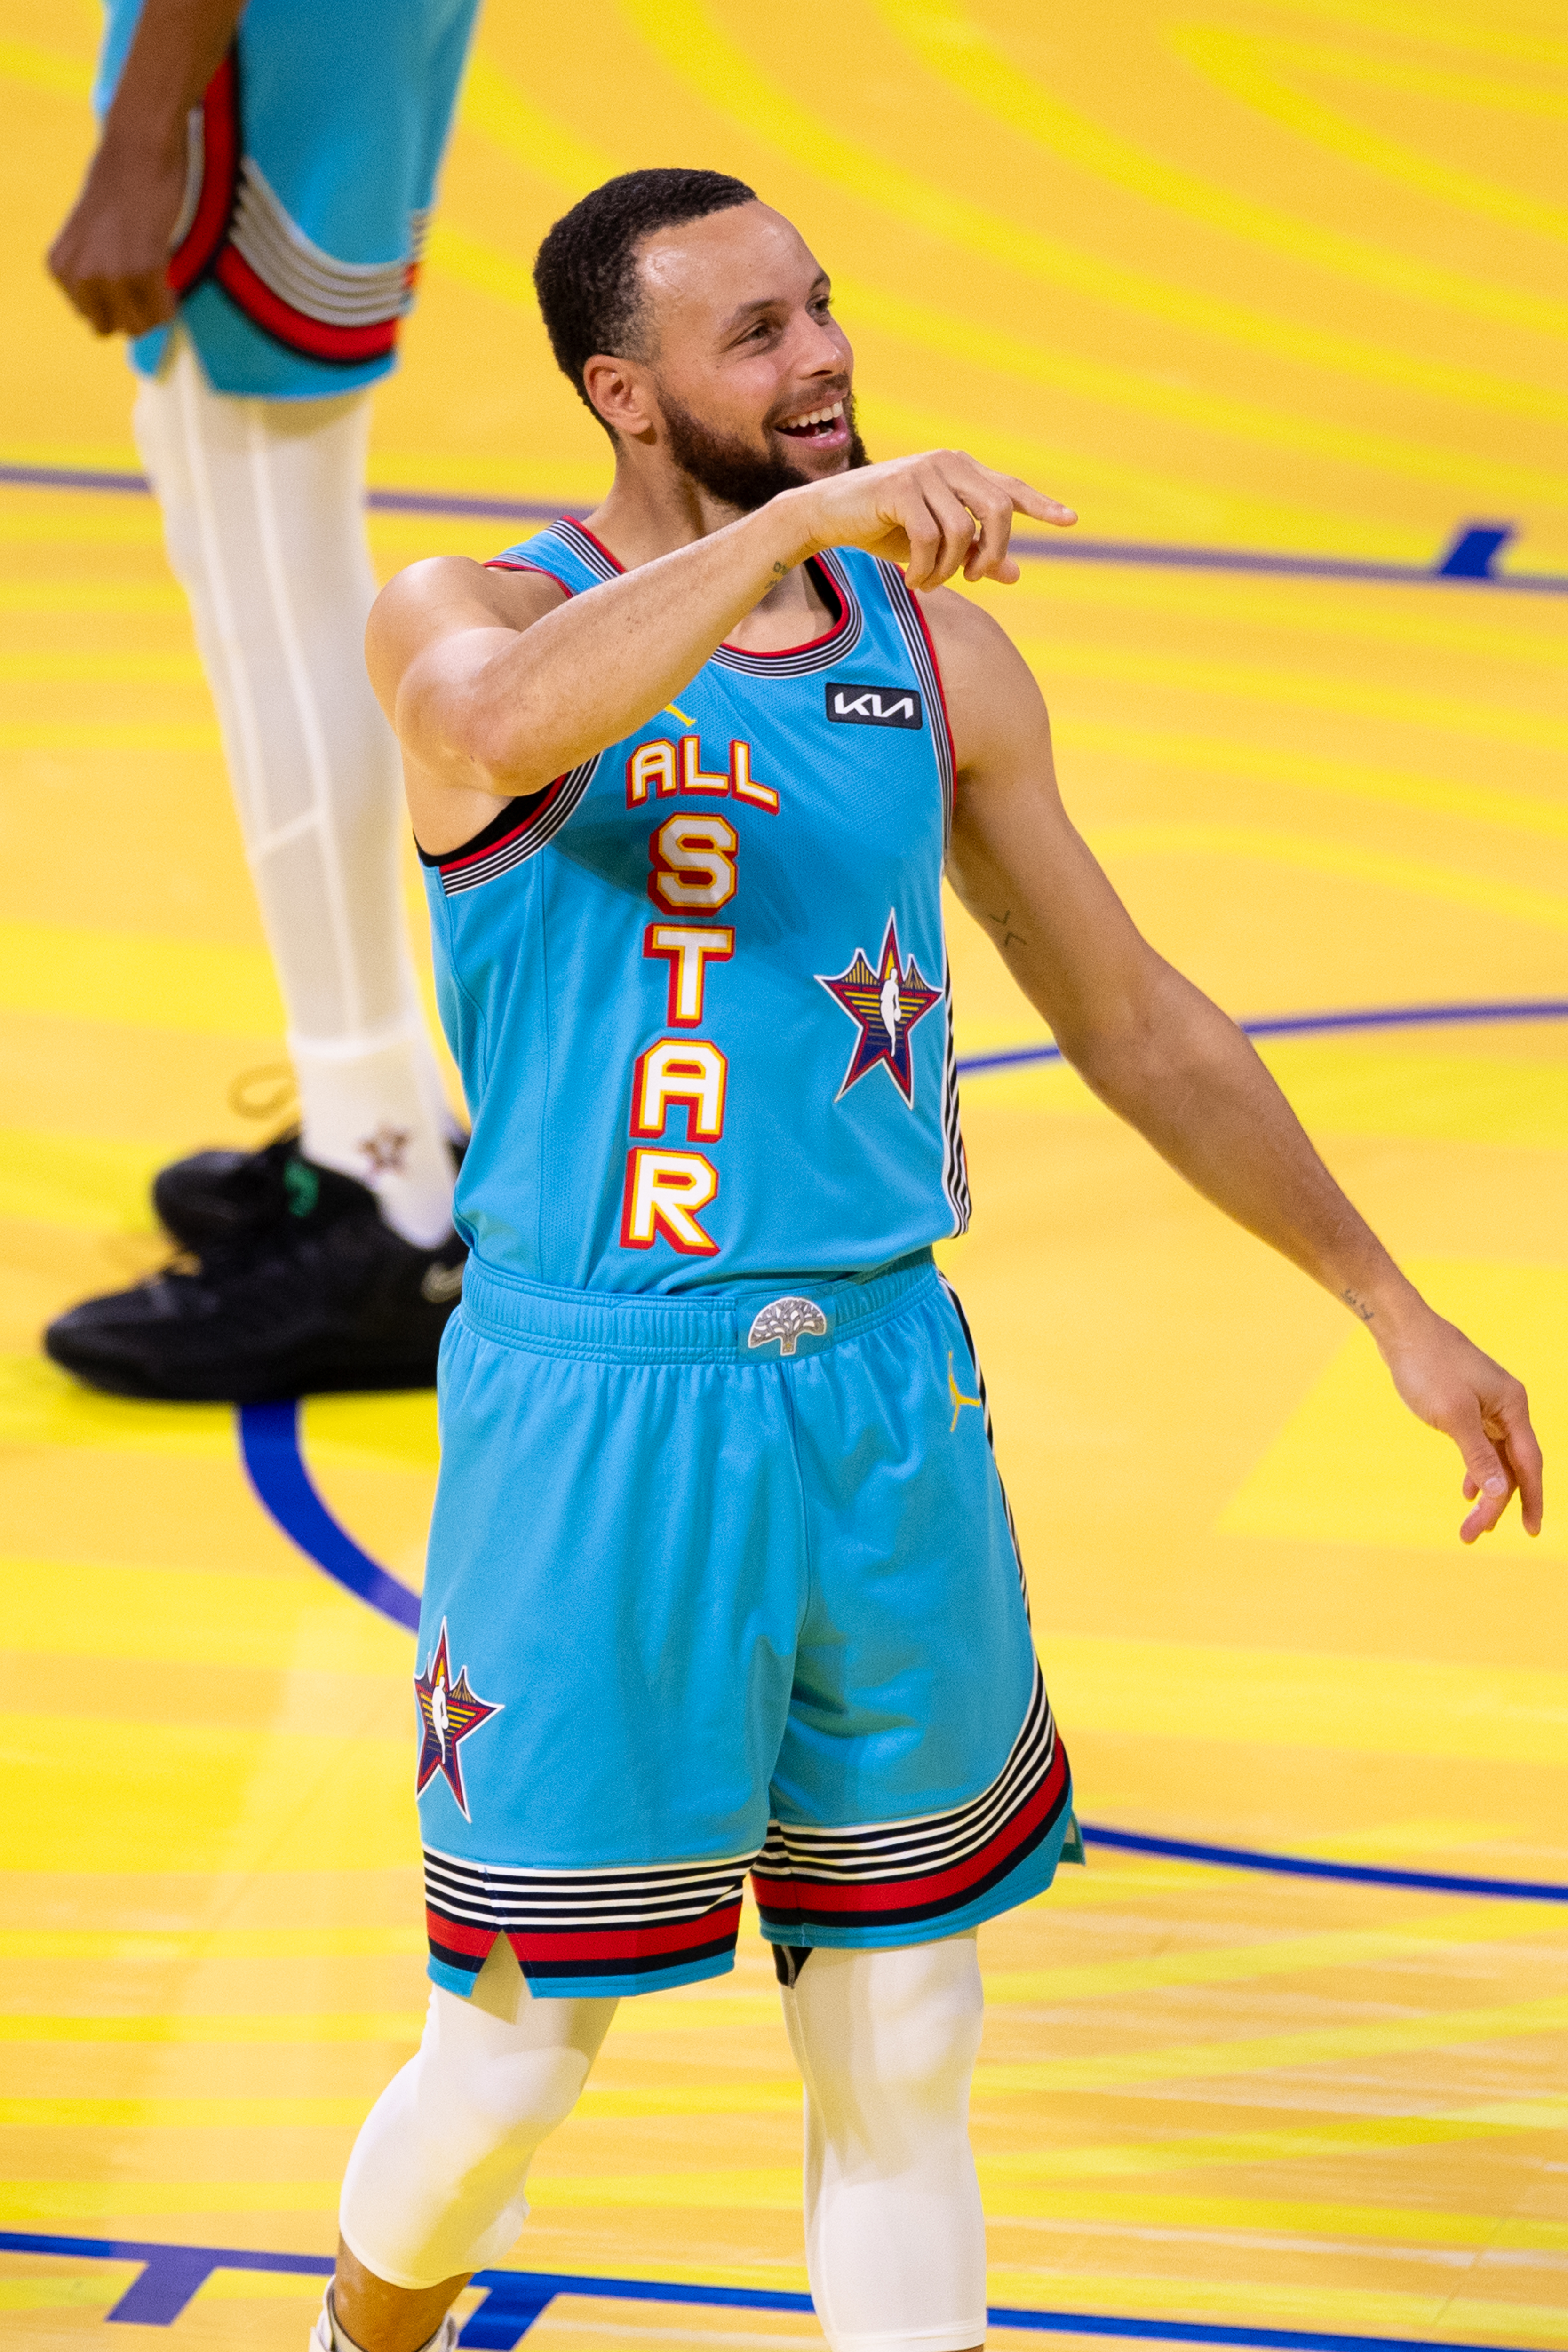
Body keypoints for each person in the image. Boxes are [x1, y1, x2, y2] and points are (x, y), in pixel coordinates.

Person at [317, 171, 1543, 2352]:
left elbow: (1140, 1017)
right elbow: (491, 737)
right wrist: (796, 530)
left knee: (908, 2034)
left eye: (821, 314)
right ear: (623, 394)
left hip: (883, 1400)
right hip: (600, 1405)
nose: (819, 365)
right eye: (752, 336)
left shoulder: (937, 656)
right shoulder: (467, 604)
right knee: (512, 2055)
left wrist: (1385, 1299)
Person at [41, 0, 480, 1403]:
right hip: (335, 51)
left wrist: (136, 135)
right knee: (269, 553)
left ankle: (384, 1196)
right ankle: (389, 1119)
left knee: (268, 572)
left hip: (268, 63)